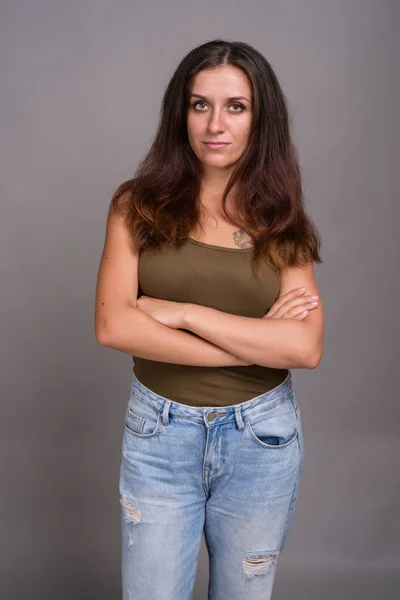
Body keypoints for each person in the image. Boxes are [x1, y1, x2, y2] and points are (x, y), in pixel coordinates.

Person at [95, 38, 324, 600]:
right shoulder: (136, 205)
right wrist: (257, 341)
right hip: (159, 434)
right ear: (181, 114)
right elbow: (115, 327)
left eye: (235, 106)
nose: (215, 124)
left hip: (261, 438)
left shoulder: (280, 219)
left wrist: (181, 313)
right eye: (200, 105)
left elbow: (305, 348)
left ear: (259, 118)